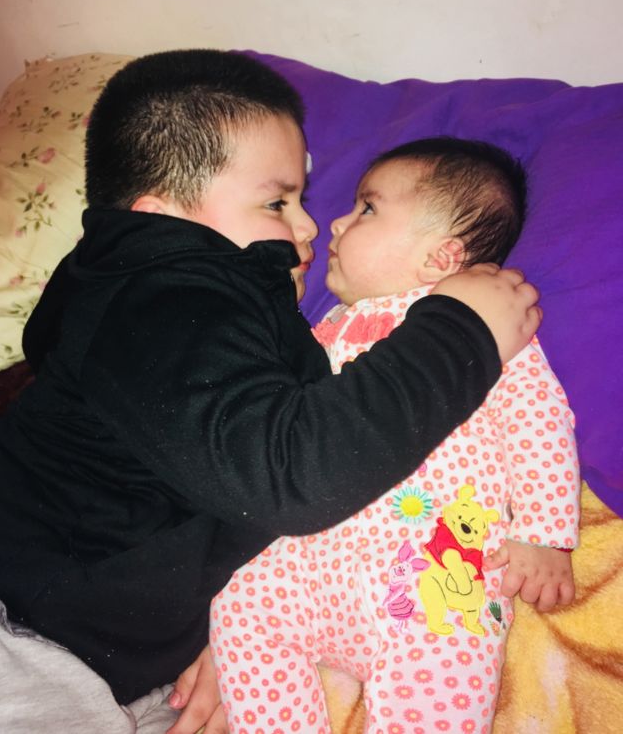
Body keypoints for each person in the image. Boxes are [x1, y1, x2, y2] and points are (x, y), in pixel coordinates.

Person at [0, 51, 539, 732]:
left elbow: (240, 487)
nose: (310, 227)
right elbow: (292, 474)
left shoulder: (204, 319)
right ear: (162, 220)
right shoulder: (157, 294)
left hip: (103, 659)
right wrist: (462, 330)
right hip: (14, 629)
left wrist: (228, 618)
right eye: (278, 202)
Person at [210, 137, 579, 734]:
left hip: (432, 577)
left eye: (367, 208)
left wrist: (545, 534)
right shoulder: (321, 331)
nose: (335, 222)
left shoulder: (482, 324)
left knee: (438, 683)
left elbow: (538, 420)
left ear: (441, 256)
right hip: (302, 570)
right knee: (238, 610)